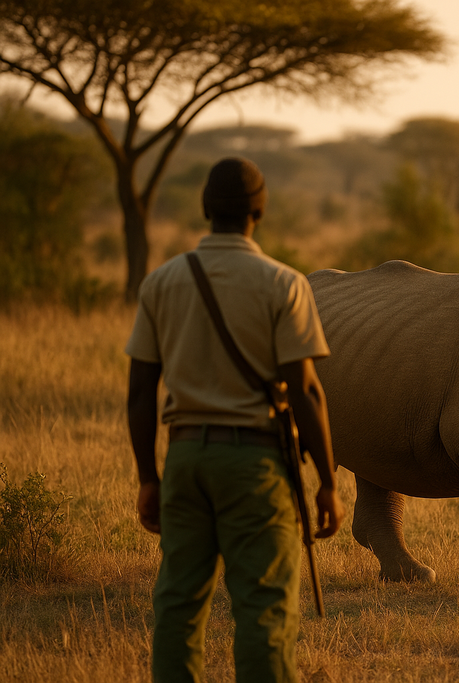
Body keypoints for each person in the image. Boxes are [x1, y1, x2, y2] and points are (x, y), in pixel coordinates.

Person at [125, 157, 343, 683]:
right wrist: (328, 482)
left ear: (204, 209)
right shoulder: (285, 284)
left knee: (177, 605)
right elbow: (305, 389)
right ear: (260, 210)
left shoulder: (161, 283)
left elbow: (139, 393)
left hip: (185, 459)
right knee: (263, 607)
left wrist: (148, 478)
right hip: (256, 463)